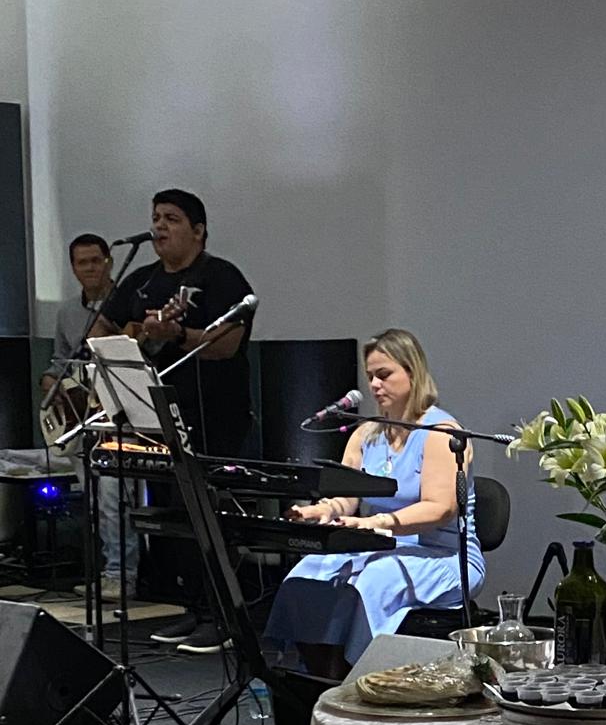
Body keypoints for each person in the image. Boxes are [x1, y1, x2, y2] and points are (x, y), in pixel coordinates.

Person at [263, 329, 486, 680]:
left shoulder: (441, 433)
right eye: (370, 376)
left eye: (384, 374)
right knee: (307, 574)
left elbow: (440, 507)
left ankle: (360, 679)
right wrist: (320, 511)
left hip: (446, 558)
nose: (374, 385)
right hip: (379, 548)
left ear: (412, 372)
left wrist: (376, 523)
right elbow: (346, 497)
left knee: (372, 581)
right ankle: (321, 680)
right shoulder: (366, 433)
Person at [90, 189, 255, 653]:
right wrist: (133, 337)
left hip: (214, 416)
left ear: (198, 231)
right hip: (155, 419)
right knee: (175, 520)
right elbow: (101, 330)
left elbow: (226, 344)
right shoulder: (141, 280)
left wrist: (178, 333)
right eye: (156, 217)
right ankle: (192, 608)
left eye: (172, 219)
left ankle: (223, 617)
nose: (159, 226)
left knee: (208, 516)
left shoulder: (221, 277)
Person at [46, 233, 142, 604]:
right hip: (81, 417)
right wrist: (50, 382)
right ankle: (108, 571)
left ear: (109, 262)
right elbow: (60, 360)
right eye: (81, 262)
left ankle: (122, 574)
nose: (89, 269)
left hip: (120, 414)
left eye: (96, 261)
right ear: (72, 268)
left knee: (115, 498)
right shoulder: (67, 312)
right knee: (95, 500)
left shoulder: (127, 302)